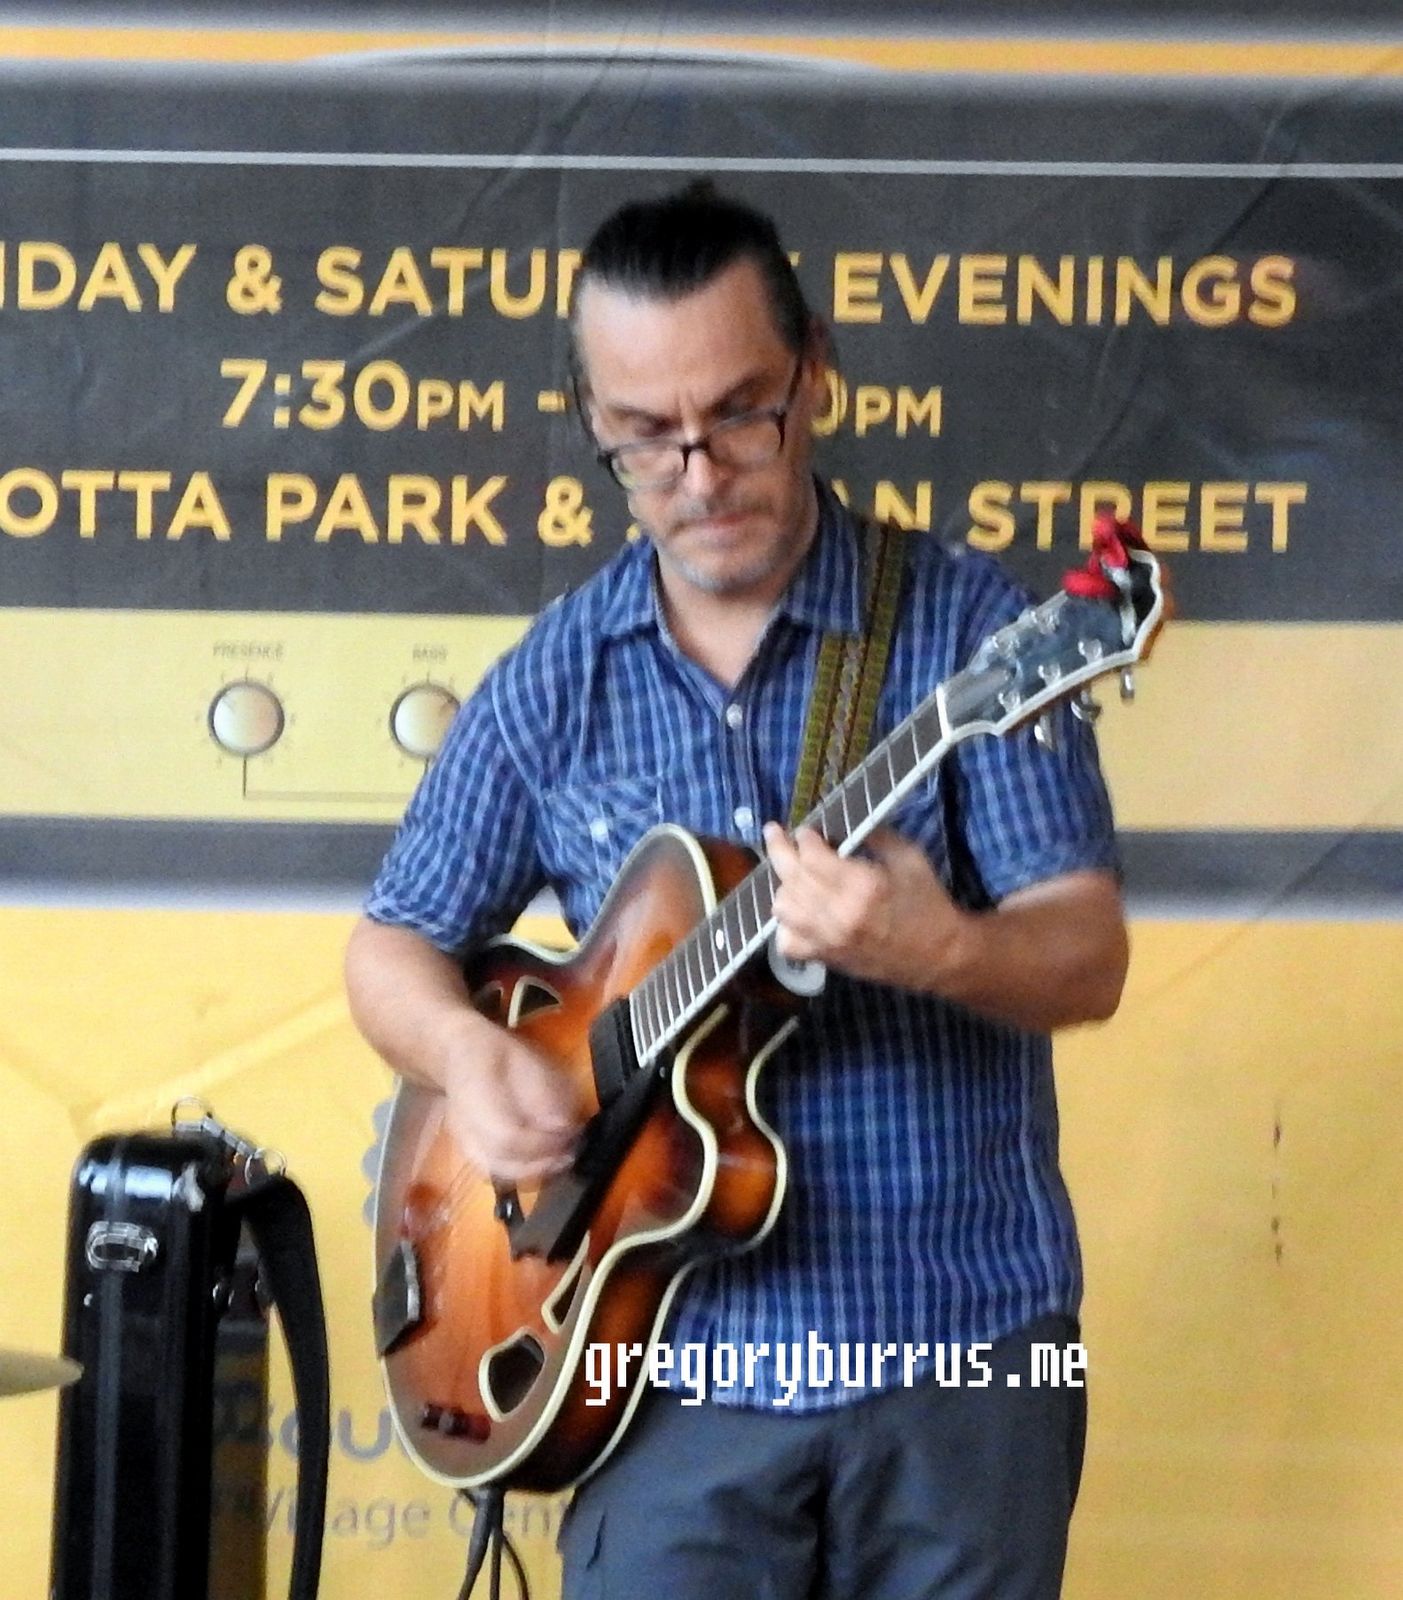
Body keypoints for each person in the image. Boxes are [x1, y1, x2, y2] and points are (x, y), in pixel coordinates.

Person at [345, 182, 1129, 1599]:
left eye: (739, 414)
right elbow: (391, 945)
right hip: (661, 1371)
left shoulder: (973, 634)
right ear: (593, 421)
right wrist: (466, 1056)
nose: (698, 472)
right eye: (645, 436)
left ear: (813, 373)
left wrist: (940, 948)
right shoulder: (556, 677)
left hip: (963, 1352)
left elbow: (1087, 956)